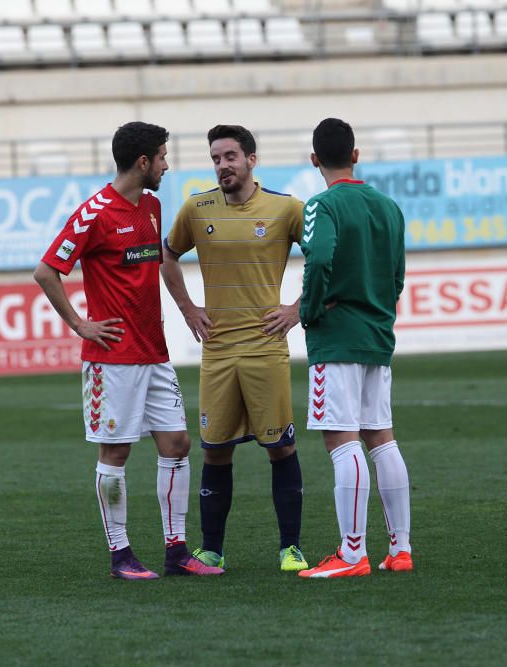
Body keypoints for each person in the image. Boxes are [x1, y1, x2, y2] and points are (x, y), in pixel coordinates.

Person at [33, 122, 222, 580]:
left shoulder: (153, 205)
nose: (166, 164)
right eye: (161, 157)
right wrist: (80, 323)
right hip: (112, 360)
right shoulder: (94, 213)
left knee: (177, 444)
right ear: (143, 162)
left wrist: (186, 308)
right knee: (115, 454)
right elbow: (46, 271)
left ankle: (176, 551)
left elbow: (155, 266)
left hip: (154, 353)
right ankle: (121, 556)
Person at [161, 124, 309, 573]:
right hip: (218, 350)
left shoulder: (286, 209)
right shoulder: (196, 207)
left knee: (280, 448)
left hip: (266, 348)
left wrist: (296, 310)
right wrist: (188, 310)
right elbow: (166, 255)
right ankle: (212, 549)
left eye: (229, 156)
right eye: (215, 158)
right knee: (214, 449)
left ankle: (290, 548)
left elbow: (327, 259)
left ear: (251, 160)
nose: (222, 165)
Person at [296, 118, 413, 579]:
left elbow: (319, 257)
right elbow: (398, 273)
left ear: (314, 160)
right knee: (381, 436)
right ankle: (400, 549)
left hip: (337, 337)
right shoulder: (388, 207)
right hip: (377, 336)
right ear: (356, 155)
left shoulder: (321, 205)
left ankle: (351, 554)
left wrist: (309, 310)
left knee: (341, 440)